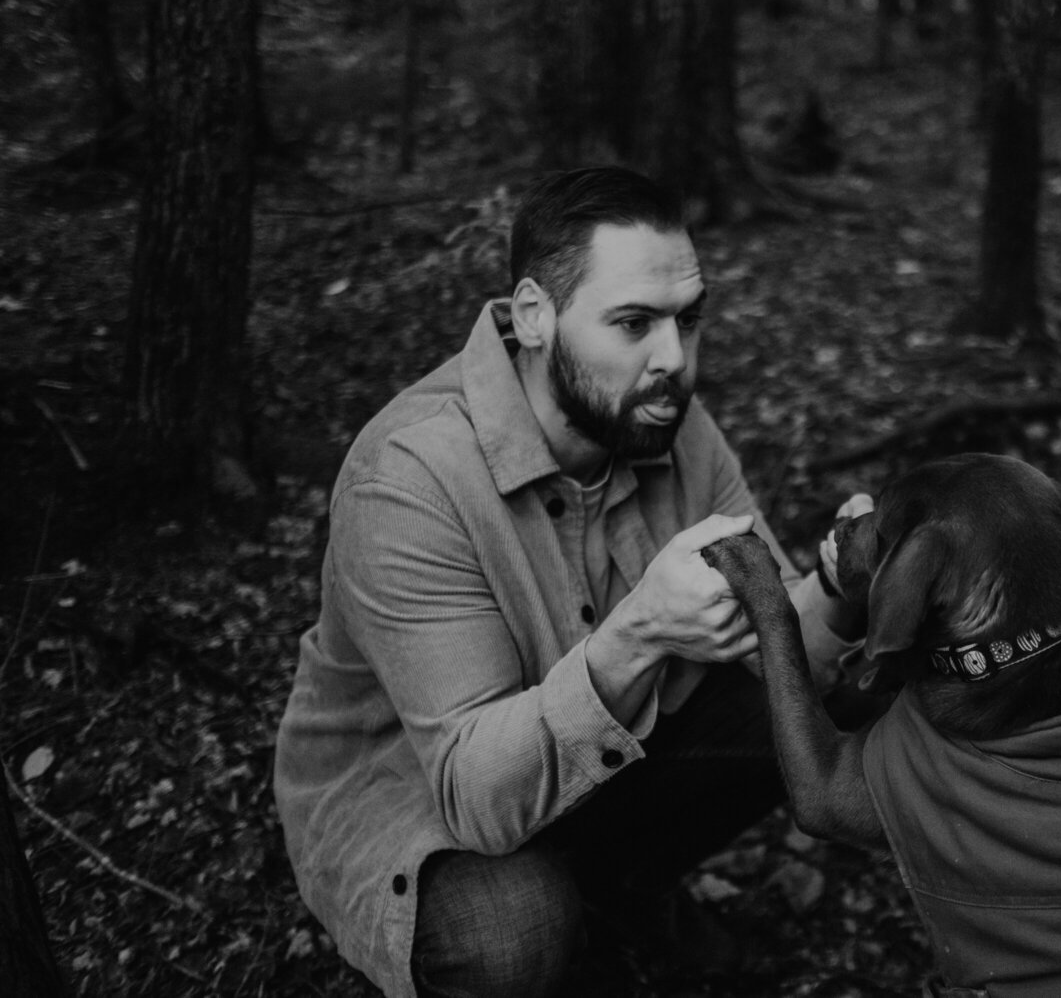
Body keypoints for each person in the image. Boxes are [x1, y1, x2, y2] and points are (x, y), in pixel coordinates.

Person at [273, 166, 871, 998]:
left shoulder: (668, 420)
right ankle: (576, 905)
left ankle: (624, 888)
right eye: (633, 323)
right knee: (512, 931)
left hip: (604, 752)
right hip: (418, 801)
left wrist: (840, 587)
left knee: (817, 704)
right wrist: (642, 632)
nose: (674, 359)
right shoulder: (408, 481)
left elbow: (786, 645)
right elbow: (476, 796)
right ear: (534, 317)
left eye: (688, 319)